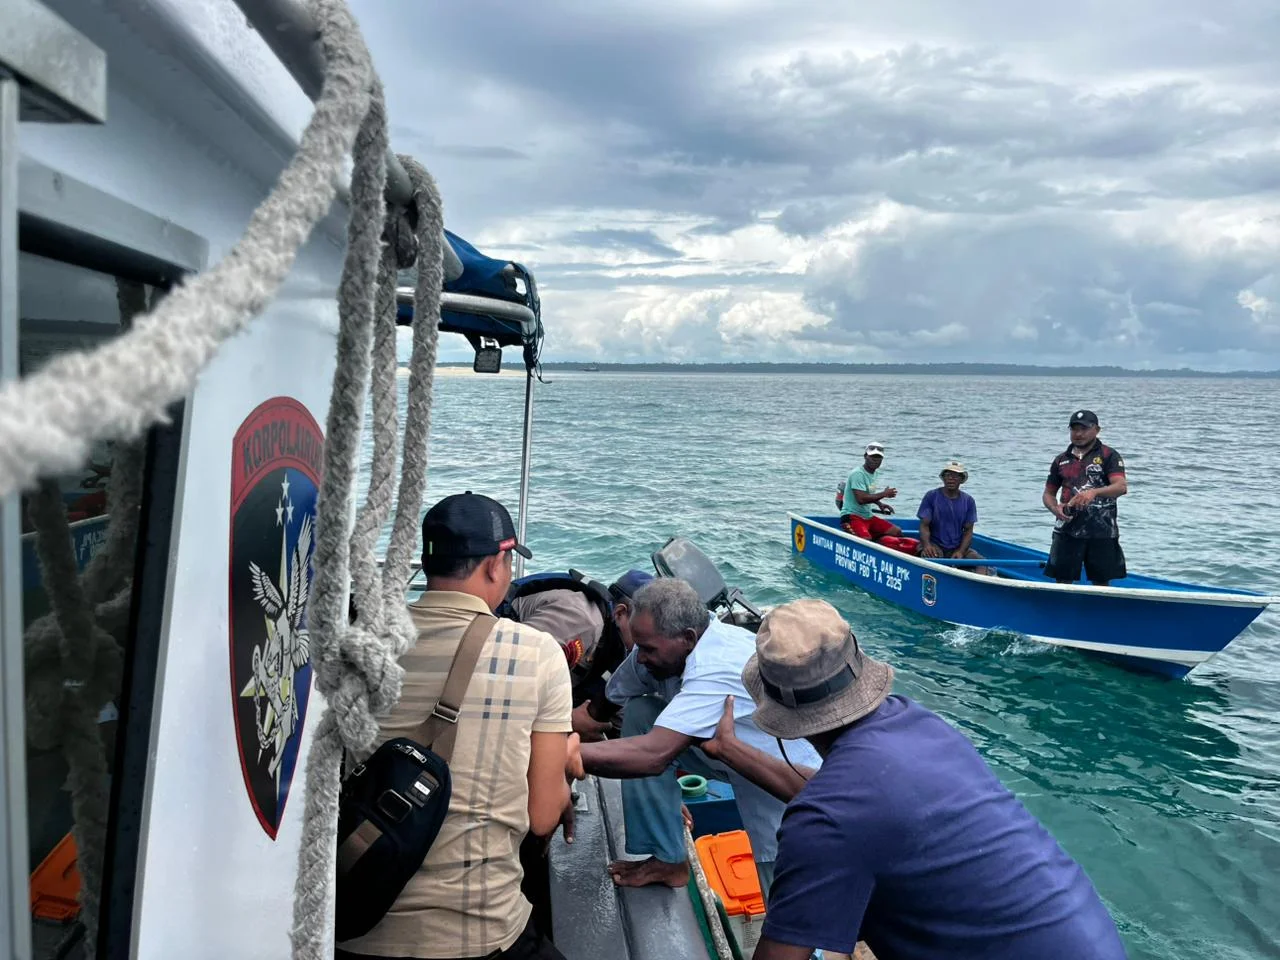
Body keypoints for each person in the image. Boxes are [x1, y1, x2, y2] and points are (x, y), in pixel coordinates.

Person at [699, 599, 1127, 960]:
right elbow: (851, 812)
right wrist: (732, 750)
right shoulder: (917, 722)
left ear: (780, 713)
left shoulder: (830, 818)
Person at [336, 492, 579, 960]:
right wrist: (564, 758)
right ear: (496, 565)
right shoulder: (538, 653)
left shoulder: (362, 644)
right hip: (479, 931)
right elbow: (544, 815)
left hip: (355, 921)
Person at [577, 578, 821, 897]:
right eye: (638, 646)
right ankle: (667, 860)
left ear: (688, 639)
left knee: (788, 906)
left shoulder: (714, 668)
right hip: (724, 754)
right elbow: (609, 701)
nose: (639, 658)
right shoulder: (659, 652)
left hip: (791, 782)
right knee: (643, 712)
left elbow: (652, 756)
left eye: (648, 649)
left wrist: (560, 753)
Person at [1042, 410, 1128, 586]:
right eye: (1074, 429)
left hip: (1102, 531)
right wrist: (1054, 508)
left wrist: (1094, 492)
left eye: (1084, 429)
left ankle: (1100, 610)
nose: (1078, 434)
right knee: (1062, 580)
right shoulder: (1061, 460)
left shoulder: (1108, 455)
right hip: (1067, 530)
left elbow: (1121, 487)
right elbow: (1048, 493)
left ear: (1096, 430)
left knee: (1102, 582)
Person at [916, 460, 989, 575]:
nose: (951, 479)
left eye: (955, 476)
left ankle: (978, 588)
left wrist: (961, 551)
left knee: (983, 563)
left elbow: (968, 530)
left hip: (957, 546)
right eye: (948, 475)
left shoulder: (968, 501)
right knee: (933, 558)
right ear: (943, 478)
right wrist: (927, 545)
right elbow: (924, 525)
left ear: (961, 479)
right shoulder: (931, 496)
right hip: (935, 544)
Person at [840, 442, 901, 542]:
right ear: (865, 456)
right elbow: (861, 499)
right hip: (852, 516)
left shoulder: (875, 473)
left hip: (867, 516)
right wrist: (884, 494)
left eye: (878, 458)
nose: (875, 460)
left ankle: (882, 547)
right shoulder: (858, 474)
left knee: (896, 532)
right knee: (865, 540)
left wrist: (879, 503)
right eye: (872, 457)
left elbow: (867, 493)